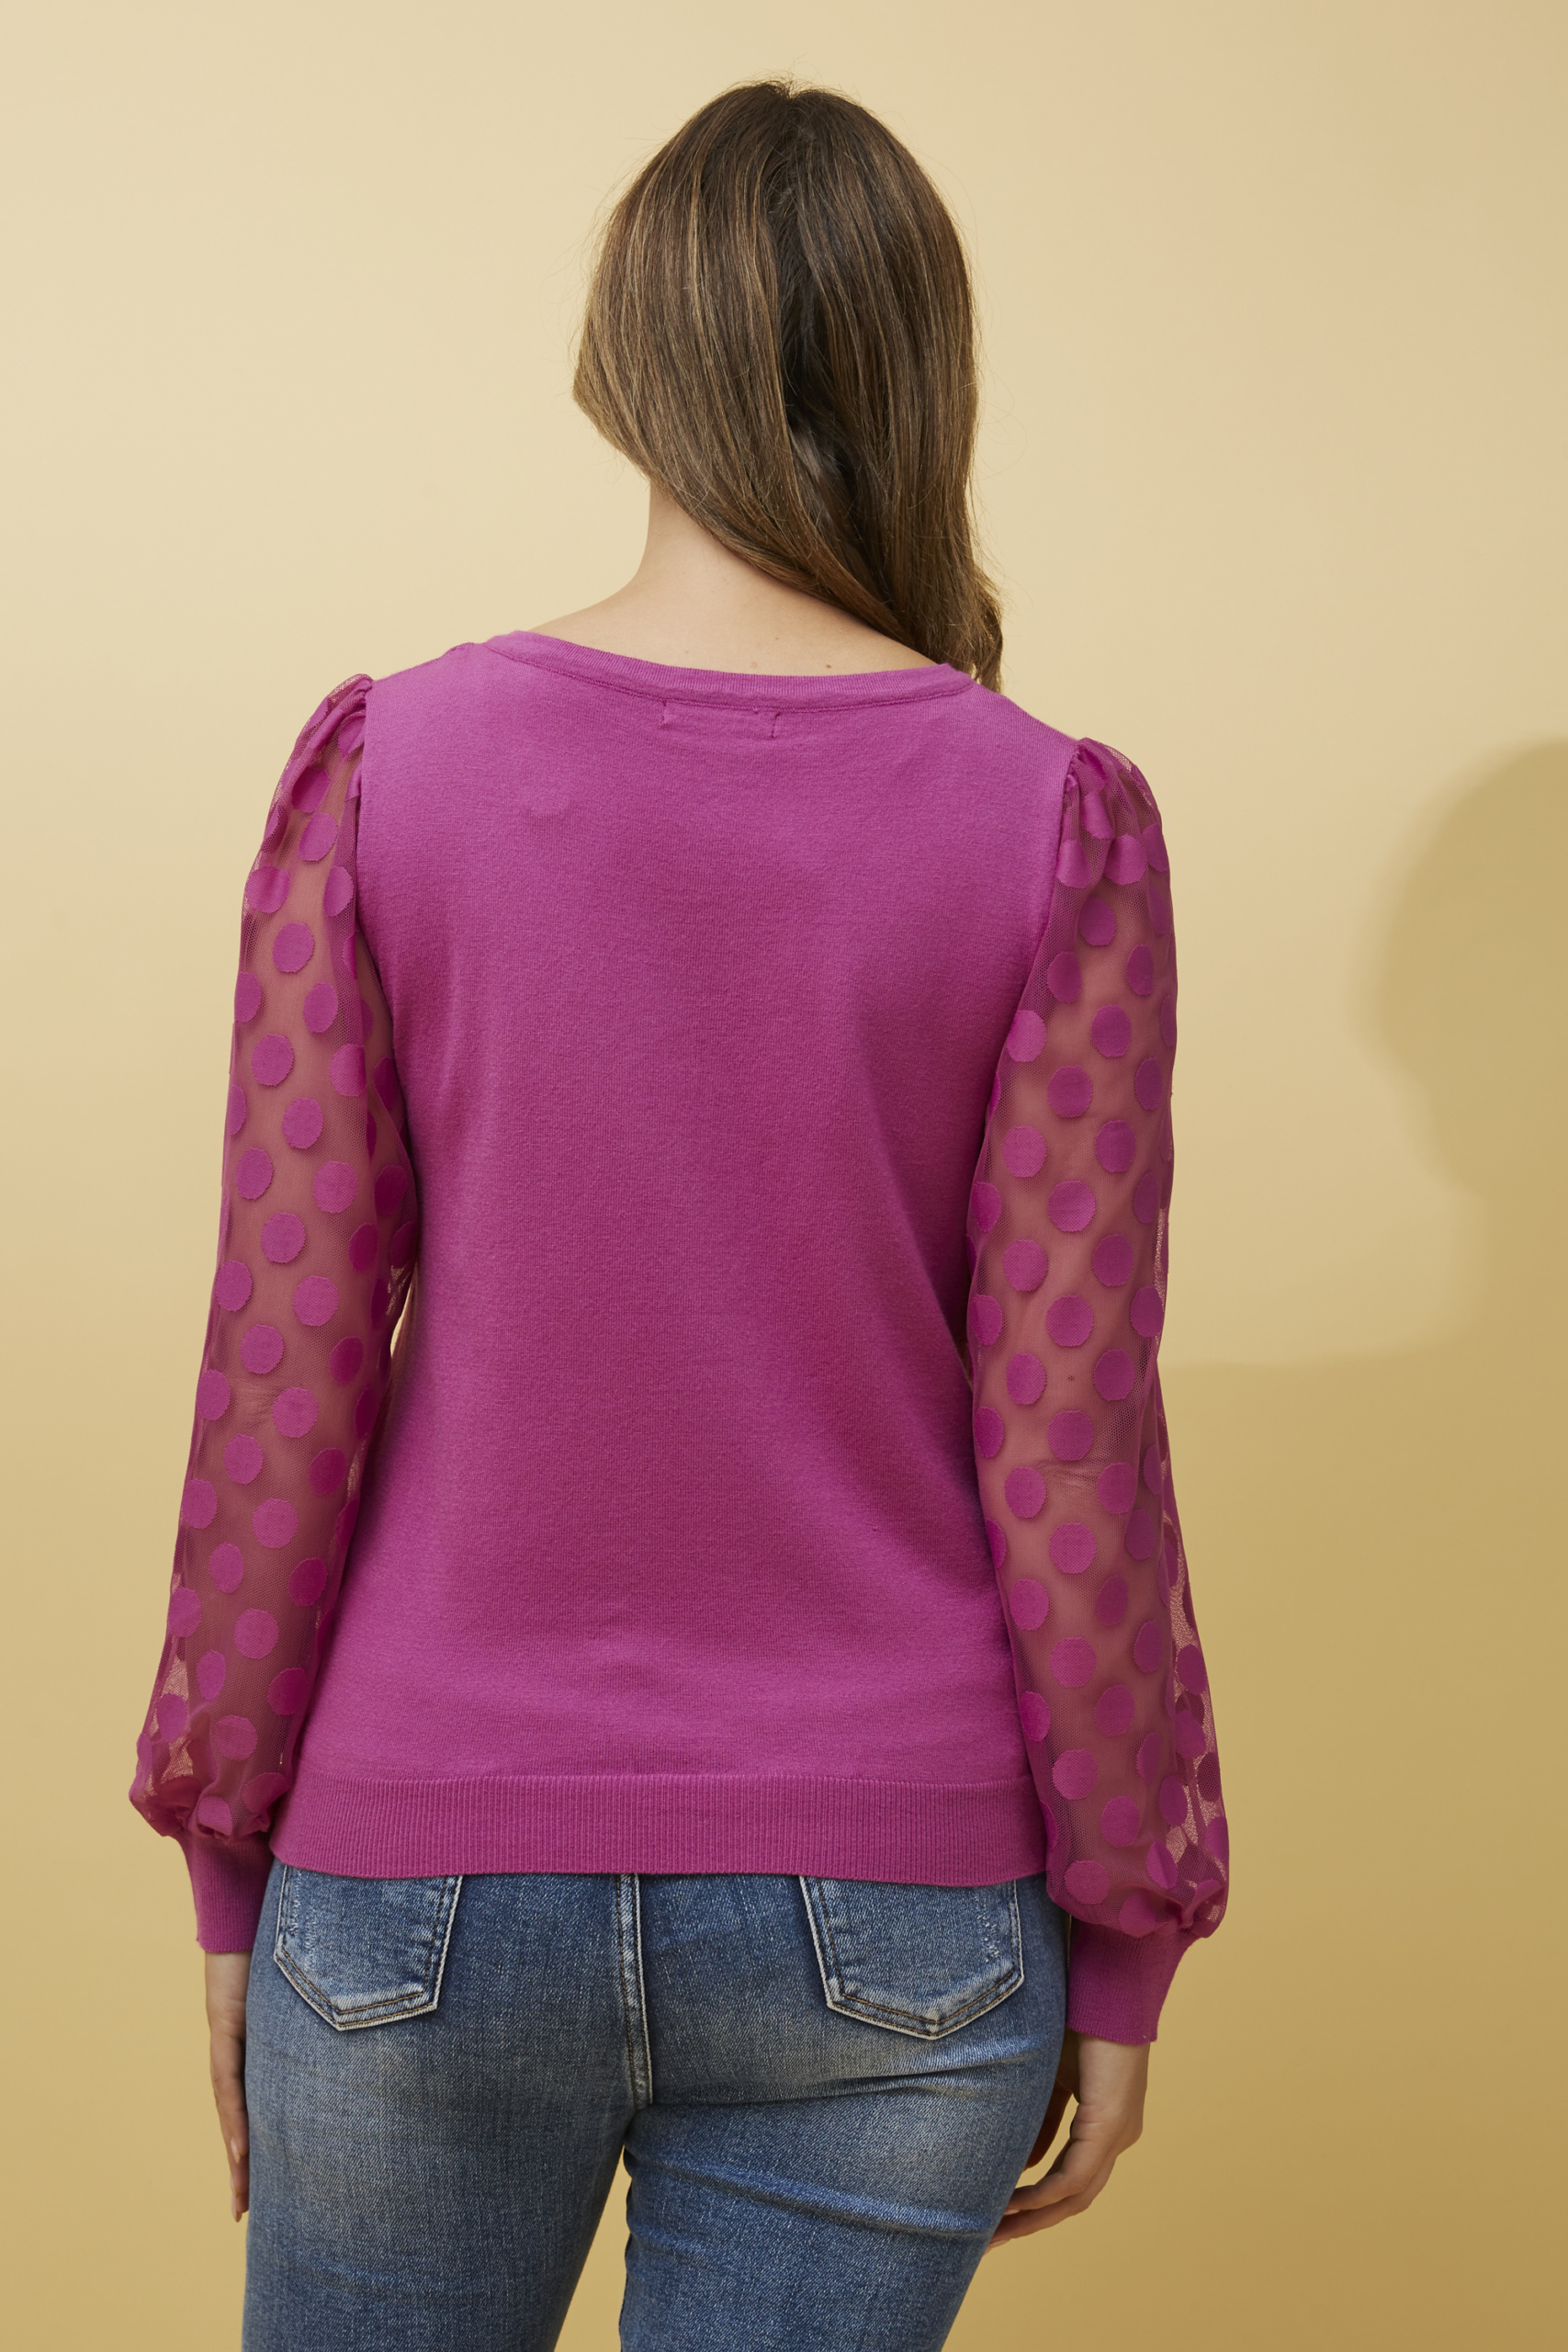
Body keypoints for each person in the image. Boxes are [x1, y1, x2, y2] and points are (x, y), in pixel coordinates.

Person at [129, 76, 1229, 2352]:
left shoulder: (391, 770)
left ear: (623, 355)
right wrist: (1125, 1917)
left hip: (419, 1873)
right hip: (896, 1903)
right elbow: (1069, 1433)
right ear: (920, 371)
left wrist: (233, 1859)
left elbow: (286, 1353)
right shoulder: (1045, 821)